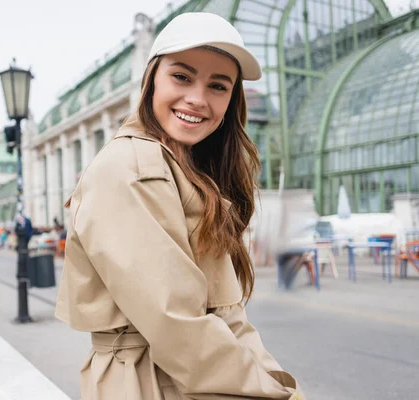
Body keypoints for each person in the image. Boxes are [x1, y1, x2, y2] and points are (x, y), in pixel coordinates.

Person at [56, 13, 305, 400]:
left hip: (184, 377)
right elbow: (177, 324)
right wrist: (271, 391)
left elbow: (227, 315)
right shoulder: (131, 168)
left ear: (231, 100)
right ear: (151, 78)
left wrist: (274, 382)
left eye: (218, 86)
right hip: (150, 382)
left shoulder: (185, 171)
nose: (197, 99)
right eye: (182, 77)